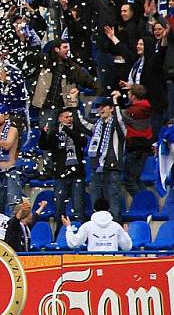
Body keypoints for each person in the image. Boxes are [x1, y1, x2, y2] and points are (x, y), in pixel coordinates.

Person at [75, 93, 127, 222]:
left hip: (113, 168)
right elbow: (80, 123)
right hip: (97, 169)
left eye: (104, 106)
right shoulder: (96, 126)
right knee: (96, 202)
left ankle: (115, 228)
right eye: (99, 107)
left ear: (111, 109)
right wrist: (75, 103)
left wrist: (115, 101)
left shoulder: (117, 125)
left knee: (113, 201)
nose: (101, 109)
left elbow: (120, 119)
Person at [39, 106, 87, 223]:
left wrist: (67, 130)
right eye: (66, 117)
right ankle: (58, 234)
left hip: (77, 175)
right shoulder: (55, 131)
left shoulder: (78, 129)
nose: (69, 119)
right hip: (61, 175)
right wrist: (43, 134)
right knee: (59, 209)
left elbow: (82, 142)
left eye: (71, 116)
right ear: (60, 119)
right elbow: (44, 146)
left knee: (78, 209)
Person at [63, 198, 132, 252]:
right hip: (112, 263)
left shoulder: (87, 225)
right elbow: (127, 247)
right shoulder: (116, 226)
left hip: (94, 263)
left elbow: (73, 243)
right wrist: (125, 233)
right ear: (109, 209)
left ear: (94, 210)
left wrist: (68, 227)